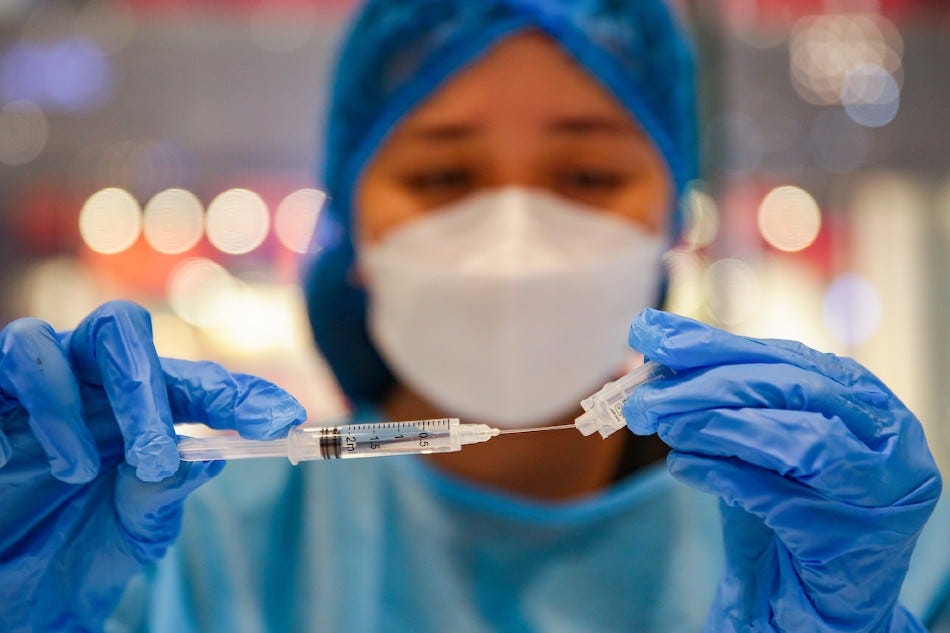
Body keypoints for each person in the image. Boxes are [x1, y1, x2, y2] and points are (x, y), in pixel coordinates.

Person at [2, 1, 949, 631]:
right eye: (443, 176)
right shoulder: (173, 555)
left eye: (587, 176)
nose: (512, 235)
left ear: (672, 220)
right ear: (354, 231)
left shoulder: (848, 556)